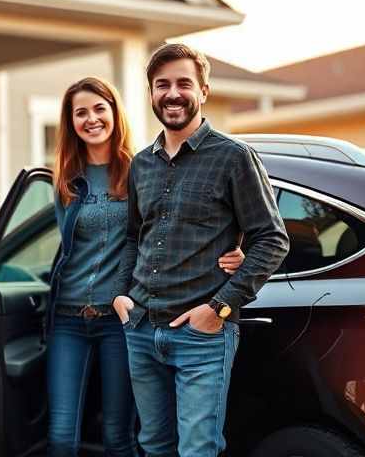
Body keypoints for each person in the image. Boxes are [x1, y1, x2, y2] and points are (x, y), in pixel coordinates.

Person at [47, 76, 246, 457]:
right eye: (80, 112)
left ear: (114, 113)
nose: (91, 119)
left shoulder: (143, 168)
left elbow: (167, 233)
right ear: (70, 121)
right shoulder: (65, 181)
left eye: (99, 108)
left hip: (119, 319)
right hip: (67, 318)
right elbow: (71, 249)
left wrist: (235, 249)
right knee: (59, 435)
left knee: (118, 435)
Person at [112, 44, 290, 457]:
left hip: (201, 335)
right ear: (151, 93)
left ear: (203, 91)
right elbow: (132, 236)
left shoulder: (234, 158)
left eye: (183, 83)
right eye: (162, 85)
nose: (172, 94)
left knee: (198, 449)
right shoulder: (141, 164)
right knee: (153, 445)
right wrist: (120, 295)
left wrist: (220, 309)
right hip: (141, 328)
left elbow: (272, 238)